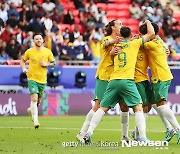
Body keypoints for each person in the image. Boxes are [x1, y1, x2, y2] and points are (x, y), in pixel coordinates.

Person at [83, 20, 155, 143]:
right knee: (138, 107)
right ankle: (142, 137)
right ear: (130, 35)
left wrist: (113, 51)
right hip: (127, 81)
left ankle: (88, 133)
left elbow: (111, 55)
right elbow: (151, 33)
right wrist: (147, 21)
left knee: (102, 109)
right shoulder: (134, 43)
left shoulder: (116, 47)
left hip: (113, 80)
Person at [76, 19, 130, 143]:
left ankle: (124, 136)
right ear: (113, 28)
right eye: (119, 24)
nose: (122, 26)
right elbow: (105, 44)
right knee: (98, 105)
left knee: (124, 105)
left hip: (118, 77)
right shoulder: (107, 39)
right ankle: (82, 133)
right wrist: (113, 42)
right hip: (105, 76)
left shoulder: (122, 40)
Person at [139, 23, 180, 144]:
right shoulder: (159, 42)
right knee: (154, 104)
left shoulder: (150, 44)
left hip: (161, 77)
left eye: (144, 34)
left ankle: (177, 129)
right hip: (162, 76)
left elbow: (135, 44)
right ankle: (169, 129)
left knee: (161, 105)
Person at [20, 33, 55, 129]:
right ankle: (36, 121)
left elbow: (54, 63)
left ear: (43, 40)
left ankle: (31, 110)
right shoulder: (29, 51)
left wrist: (46, 64)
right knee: (34, 99)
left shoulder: (47, 52)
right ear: (34, 41)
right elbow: (22, 60)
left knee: (38, 101)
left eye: (40, 39)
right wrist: (24, 69)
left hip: (42, 80)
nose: (38, 40)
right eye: (36, 39)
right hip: (32, 78)